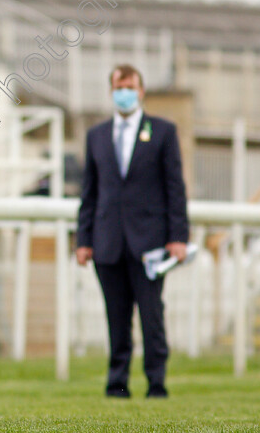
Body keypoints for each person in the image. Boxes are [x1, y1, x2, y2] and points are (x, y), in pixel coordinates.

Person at [76, 64, 189, 399]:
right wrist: (83, 240)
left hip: (150, 242)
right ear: (111, 91)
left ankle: (156, 382)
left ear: (141, 91)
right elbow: (89, 193)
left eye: (130, 86)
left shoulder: (163, 132)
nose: (124, 92)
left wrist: (178, 236)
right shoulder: (96, 135)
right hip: (108, 241)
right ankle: (117, 383)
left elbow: (175, 188)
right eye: (118, 86)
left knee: (152, 316)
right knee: (116, 318)